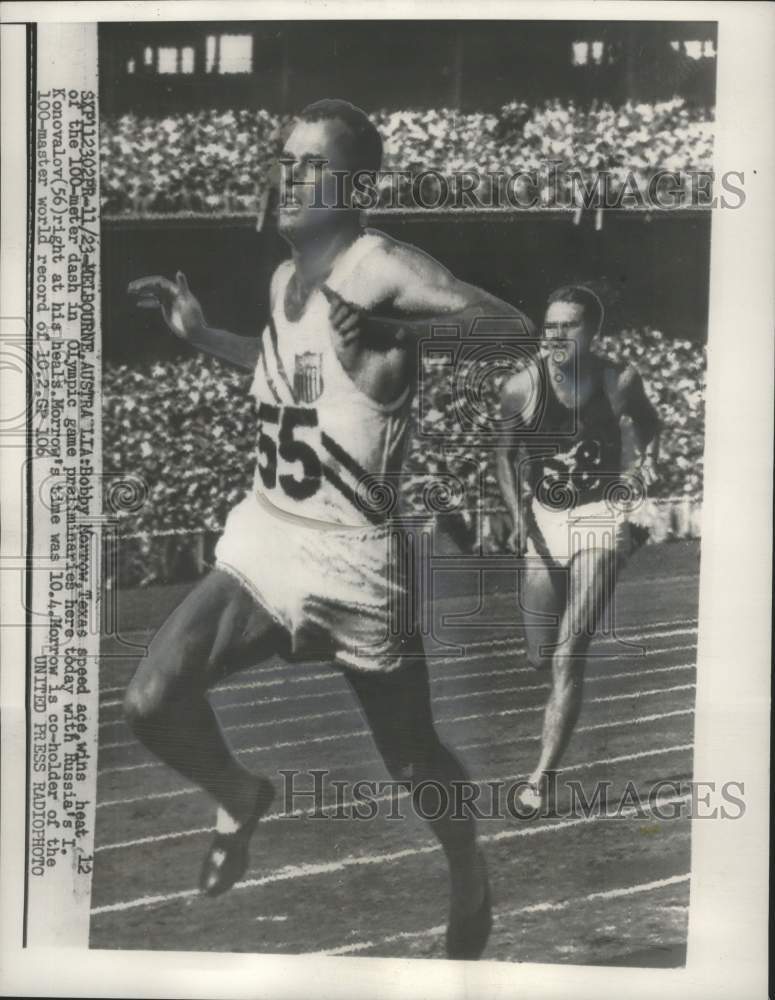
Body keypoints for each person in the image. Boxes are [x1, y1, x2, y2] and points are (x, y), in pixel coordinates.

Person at [126, 98, 533, 960]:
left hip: (356, 564)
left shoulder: (378, 262)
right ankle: (239, 793)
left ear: (353, 186)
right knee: (152, 700)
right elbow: (291, 370)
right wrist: (204, 338)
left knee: (414, 757)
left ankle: (467, 869)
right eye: (283, 155)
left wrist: (396, 330)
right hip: (270, 537)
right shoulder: (284, 283)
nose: (288, 174)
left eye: (312, 163)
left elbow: (509, 331)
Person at [495, 285, 660, 809]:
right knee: (538, 656)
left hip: (600, 515)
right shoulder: (521, 387)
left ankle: (539, 779)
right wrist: (517, 515)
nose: (556, 334)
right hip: (545, 520)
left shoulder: (619, 381)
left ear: (592, 333)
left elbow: (652, 425)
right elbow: (503, 456)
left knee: (570, 652)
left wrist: (644, 460)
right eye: (550, 324)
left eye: (569, 325)